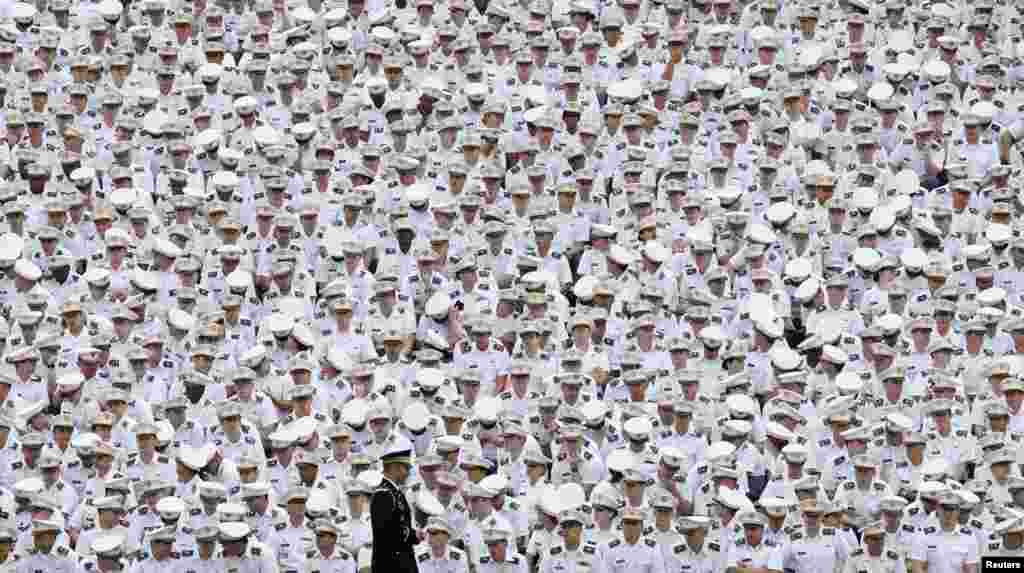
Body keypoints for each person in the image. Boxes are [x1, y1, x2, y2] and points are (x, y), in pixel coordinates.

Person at [371, 434, 418, 573]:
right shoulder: (383, 494)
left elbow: (398, 526)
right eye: (406, 468)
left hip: (400, 564)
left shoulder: (394, 492)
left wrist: (415, 534)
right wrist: (412, 535)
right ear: (395, 467)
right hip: (390, 566)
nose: (408, 473)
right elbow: (386, 535)